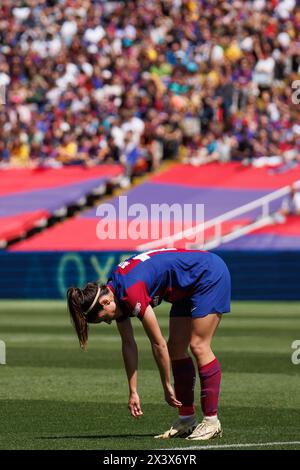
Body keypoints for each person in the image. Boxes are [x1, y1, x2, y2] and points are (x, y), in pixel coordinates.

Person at [67, 248, 231, 441]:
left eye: (103, 319)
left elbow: (157, 343)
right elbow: (128, 343)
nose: (109, 322)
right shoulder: (114, 291)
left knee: (199, 346)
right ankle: (187, 420)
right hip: (185, 287)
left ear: (105, 302)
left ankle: (212, 422)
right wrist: (133, 391)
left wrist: (166, 385)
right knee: (177, 349)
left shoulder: (130, 291)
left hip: (207, 274)